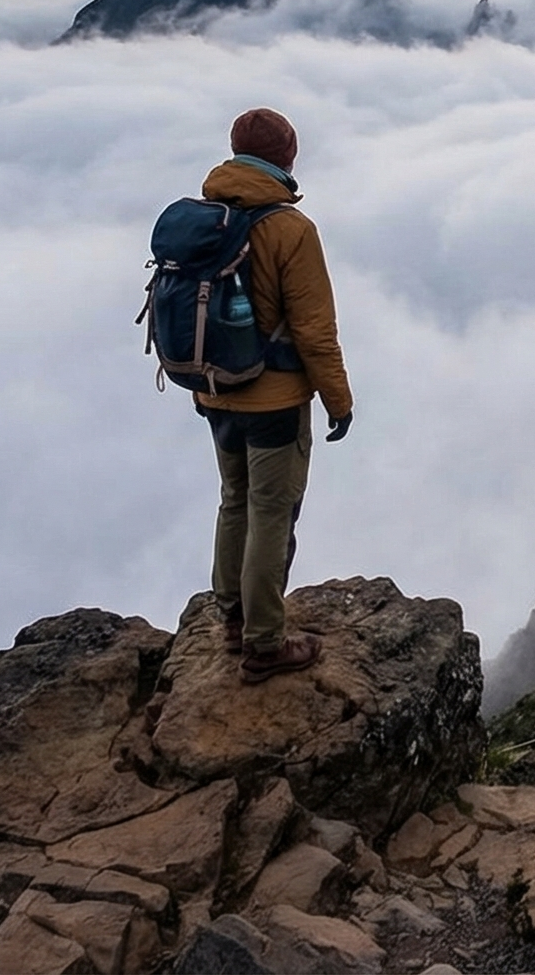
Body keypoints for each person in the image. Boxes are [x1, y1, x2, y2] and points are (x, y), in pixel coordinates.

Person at [195, 107, 354, 682]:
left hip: (212, 392)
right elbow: (314, 330)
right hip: (274, 403)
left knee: (233, 499)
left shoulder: (208, 216)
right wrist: (339, 400)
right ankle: (264, 644)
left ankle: (232, 618)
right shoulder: (290, 230)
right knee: (271, 512)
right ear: (286, 158)